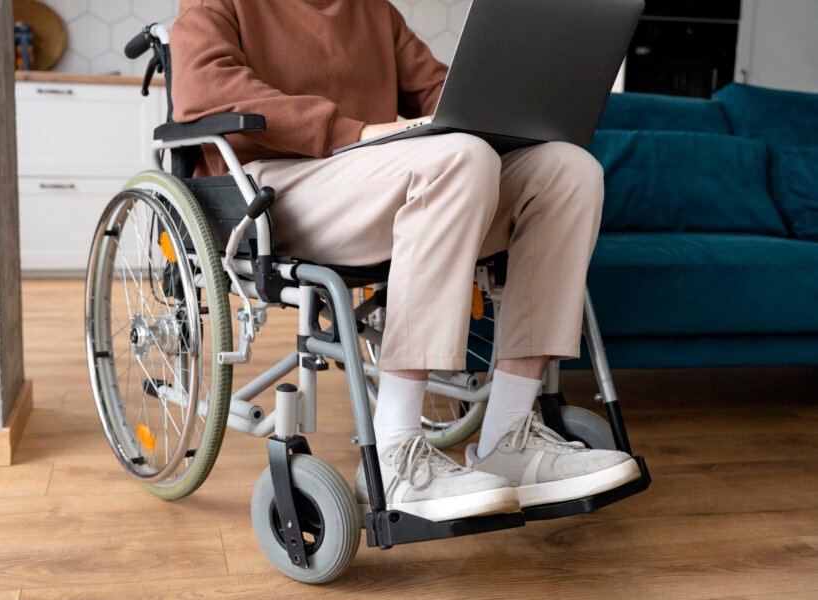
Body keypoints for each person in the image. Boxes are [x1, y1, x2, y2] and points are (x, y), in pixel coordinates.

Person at [171, 0, 641, 521]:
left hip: (379, 171)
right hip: (273, 181)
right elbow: (202, 90)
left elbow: (445, 94)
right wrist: (354, 131)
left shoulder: (374, 11)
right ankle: (395, 453)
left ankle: (508, 435)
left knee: (568, 171)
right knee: (460, 159)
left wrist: (506, 113)